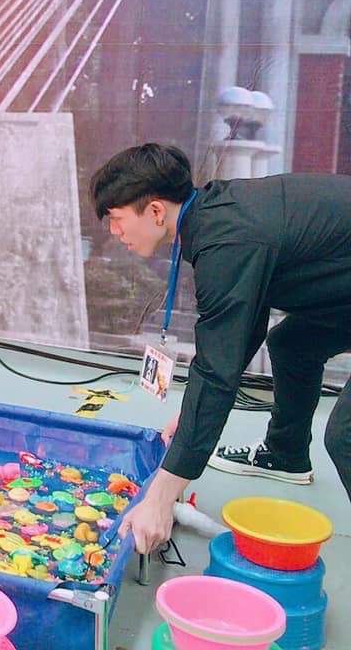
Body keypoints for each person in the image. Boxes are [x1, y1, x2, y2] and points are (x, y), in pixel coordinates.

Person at [90, 143, 351, 554]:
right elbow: (238, 334)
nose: (113, 231)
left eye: (117, 219)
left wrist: (158, 499)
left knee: (345, 436)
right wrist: (190, 417)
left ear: (155, 211)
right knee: (292, 342)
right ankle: (285, 455)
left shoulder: (227, 243)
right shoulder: (217, 215)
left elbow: (217, 371)